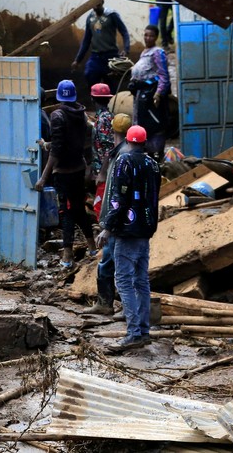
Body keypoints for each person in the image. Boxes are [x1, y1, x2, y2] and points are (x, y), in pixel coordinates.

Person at [96, 125, 160, 352]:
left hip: (127, 230)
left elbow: (118, 199)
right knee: (141, 281)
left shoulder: (124, 162)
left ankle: (133, 333)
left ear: (126, 141)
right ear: (143, 142)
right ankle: (143, 331)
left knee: (123, 280)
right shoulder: (153, 164)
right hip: (145, 230)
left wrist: (108, 228)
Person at [35, 80, 97, 268]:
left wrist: (43, 178)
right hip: (79, 169)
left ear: (59, 96)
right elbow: (67, 141)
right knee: (78, 209)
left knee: (67, 212)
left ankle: (67, 256)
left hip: (64, 173)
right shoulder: (81, 113)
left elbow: (58, 151)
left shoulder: (57, 116)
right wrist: (46, 144)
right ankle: (93, 246)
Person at [84, 113, 131, 316]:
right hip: (121, 218)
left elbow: (119, 195)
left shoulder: (123, 156)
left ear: (112, 130)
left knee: (114, 262)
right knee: (112, 262)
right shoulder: (121, 152)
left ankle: (112, 305)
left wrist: (108, 226)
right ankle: (108, 303)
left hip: (118, 220)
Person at [129, 25, 171, 163]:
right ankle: (147, 158)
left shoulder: (158, 52)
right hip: (141, 98)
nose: (148, 38)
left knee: (154, 127)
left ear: (156, 37)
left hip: (152, 99)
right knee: (143, 126)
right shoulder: (144, 52)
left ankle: (157, 160)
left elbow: (163, 76)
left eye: (151, 36)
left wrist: (158, 94)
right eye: (146, 35)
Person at [71, 2, 130, 93]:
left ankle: (110, 104)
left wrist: (126, 49)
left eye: (97, 4)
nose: (95, 7)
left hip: (110, 56)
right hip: (96, 56)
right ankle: (95, 101)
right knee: (89, 73)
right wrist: (78, 60)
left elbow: (124, 32)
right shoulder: (90, 18)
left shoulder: (112, 15)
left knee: (111, 84)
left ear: (102, 2)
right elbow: (86, 40)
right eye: (93, 5)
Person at [90, 83, 115, 218]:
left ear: (92, 99)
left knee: (101, 209)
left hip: (105, 172)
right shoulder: (108, 116)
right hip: (104, 169)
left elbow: (108, 149)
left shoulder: (103, 120)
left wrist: (102, 173)